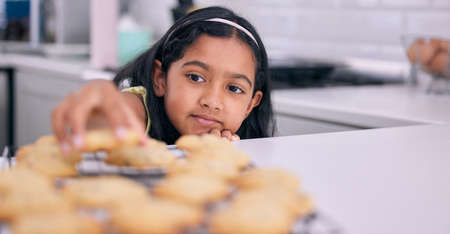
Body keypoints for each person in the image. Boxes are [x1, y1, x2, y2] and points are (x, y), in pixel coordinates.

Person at [52, 6, 275, 152]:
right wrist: (101, 105)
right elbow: (113, 117)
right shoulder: (138, 108)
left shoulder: (241, 145)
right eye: (195, 77)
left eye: (234, 89)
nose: (212, 101)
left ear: (250, 105)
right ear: (161, 79)